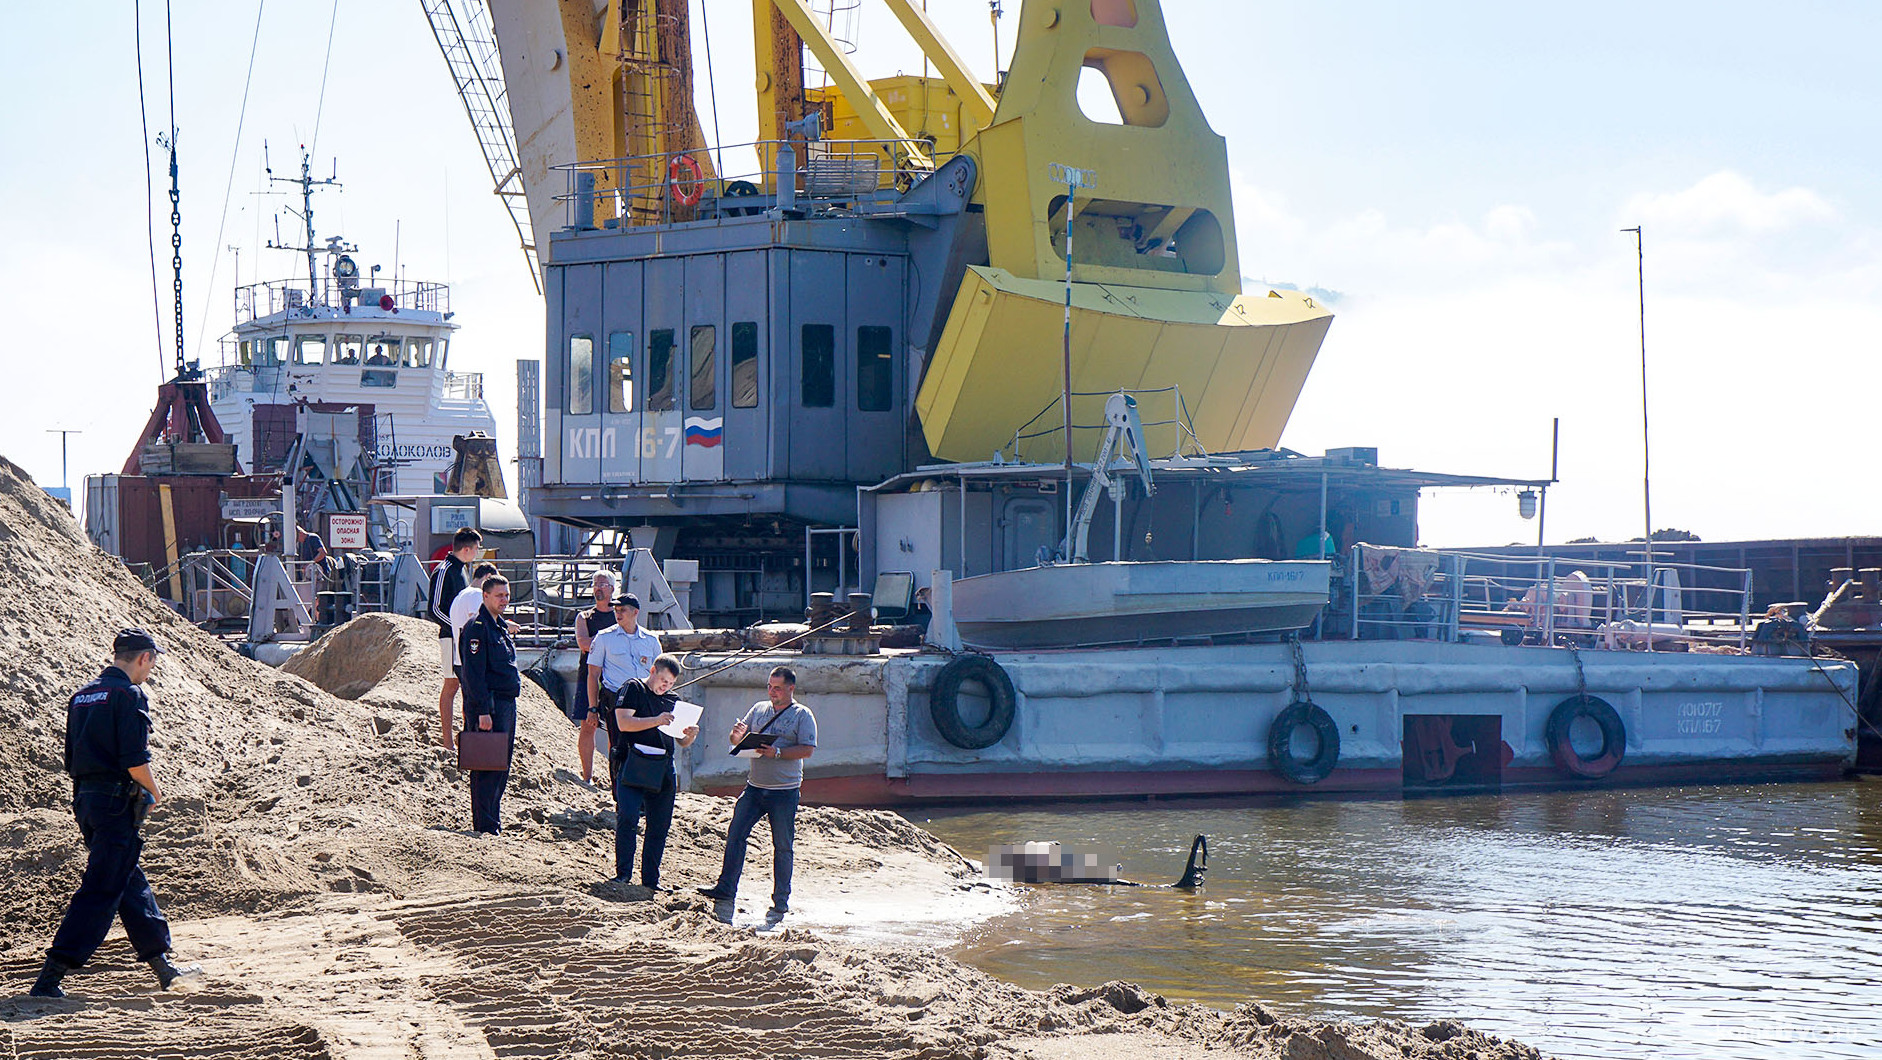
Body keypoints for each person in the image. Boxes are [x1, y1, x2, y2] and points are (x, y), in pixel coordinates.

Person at [32, 629, 199, 998]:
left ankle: (164, 967)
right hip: (114, 802)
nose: (151, 671)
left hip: (87, 801)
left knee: (127, 878)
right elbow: (135, 760)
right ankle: (50, 978)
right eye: (153, 662)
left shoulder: (82, 696)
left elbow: (71, 759)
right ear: (144, 658)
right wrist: (154, 791)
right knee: (102, 887)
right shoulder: (129, 694)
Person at [697, 666, 817, 924]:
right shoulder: (759, 709)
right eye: (769, 687)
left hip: (784, 791)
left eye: (777, 688)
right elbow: (735, 741)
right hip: (754, 786)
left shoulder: (802, 715)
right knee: (735, 835)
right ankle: (725, 890)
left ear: (790, 689)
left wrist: (778, 753)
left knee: (782, 845)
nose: (772, 692)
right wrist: (736, 735)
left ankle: (781, 900)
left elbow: (807, 750)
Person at [603, 654, 698, 886]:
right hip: (633, 761)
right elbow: (624, 723)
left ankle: (650, 879)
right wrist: (656, 720)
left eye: (671, 683)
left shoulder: (672, 700)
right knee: (628, 818)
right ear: (653, 671)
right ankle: (623, 873)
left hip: (663, 766)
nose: (665, 686)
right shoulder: (633, 688)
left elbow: (680, 741)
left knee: (659, 824)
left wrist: (689, 736)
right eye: (663, 680)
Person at [459, 575, 521, 835]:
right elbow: (473, 675)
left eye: (506, 595)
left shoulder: (499, 626)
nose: (504, 600)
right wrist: (483, 711)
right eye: (499, 596)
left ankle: (492, 820)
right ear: (485, 596)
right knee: (486, 765)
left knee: (501, 765)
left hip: (506, 703)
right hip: (490, 706)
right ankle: (485, 824)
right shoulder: (477, 627)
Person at [584, 591, 661, 784]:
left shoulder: (650, 640)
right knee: (618, 747)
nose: (618, 614)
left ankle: (642, 791)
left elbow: (659, 673)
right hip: (616, 698)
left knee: (645, 745)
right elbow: (593, 674)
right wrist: (592, 708)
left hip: (644, 699)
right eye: (616, 610)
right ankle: (619, 793)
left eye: (622, 610)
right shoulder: (604, 638)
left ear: (635, 612)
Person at [429, 528, 482, 753]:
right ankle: (447, 741)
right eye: (477, 549)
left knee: (466, 684)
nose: (478, 553)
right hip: (451, 638)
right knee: (451, 685)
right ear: (467, 549)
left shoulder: (462, 570)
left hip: (462, 637)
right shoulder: (445, 569)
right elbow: (434, 609)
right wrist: (457, 627)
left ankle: (464, 736)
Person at [571, 572, 619, 783]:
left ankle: (614, 776)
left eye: (603, 584)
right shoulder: (584, 617)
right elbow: (583, 644)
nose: (598, 588)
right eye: (595, 584)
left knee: (614, 730)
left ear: (612, 588)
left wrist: (598, 643)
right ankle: (587, 776)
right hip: (588, 676)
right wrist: (608, 643)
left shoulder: (618, 614)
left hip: (614, 677)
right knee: (587, 726)